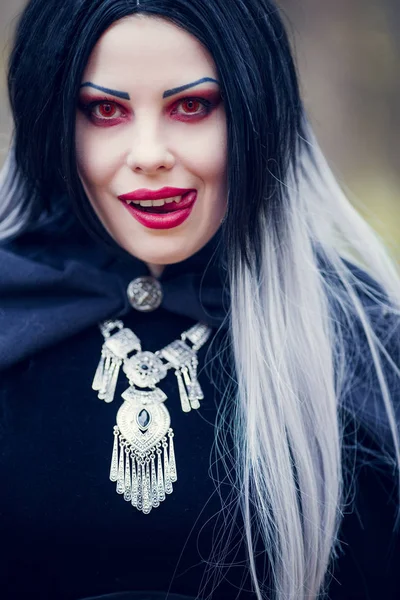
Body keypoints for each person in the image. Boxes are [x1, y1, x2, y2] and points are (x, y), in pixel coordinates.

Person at [0, 0, 399, 599]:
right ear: (54, 123)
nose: (150, 153)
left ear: (255, 113)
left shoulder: (362, 341)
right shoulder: (11, 308)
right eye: (105, 110)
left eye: (192, 105)